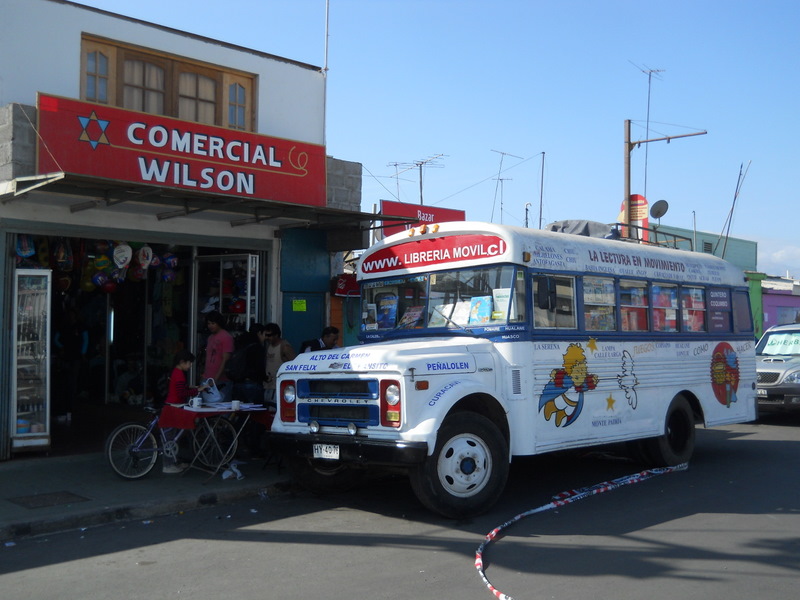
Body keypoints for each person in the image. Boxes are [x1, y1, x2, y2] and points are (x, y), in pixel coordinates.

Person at [163, 350, 208, 473]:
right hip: (174, 407)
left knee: (172, 436)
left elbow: (182, 388)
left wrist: (195, 388)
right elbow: (182, 392)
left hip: (173, 406)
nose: (190, 366)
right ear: (182, 362)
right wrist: (197, 390)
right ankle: (168, 465)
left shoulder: (176, 372)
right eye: (189, 363)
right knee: (170, 438)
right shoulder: (179, 374)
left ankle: (174, 461)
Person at [202, 310, 235, 402]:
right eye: (208, 323)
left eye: (213, 323)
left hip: (221, 379)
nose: (210, 326)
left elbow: (226, 360)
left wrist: (215, 379)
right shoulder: (210, 337)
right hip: (208, 378)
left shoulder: (226, 337)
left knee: (222, 407)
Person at [231, 323, 269, 404]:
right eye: (264, 334)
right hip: (253, 383)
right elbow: (259, 367)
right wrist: (266, 378)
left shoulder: (240, 344)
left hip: (238, 383)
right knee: (255, 412)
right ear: (259, 333)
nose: (265, 338)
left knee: (241, 413)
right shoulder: (257, 348)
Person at [264, 322, 297, 406]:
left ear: (276, 335)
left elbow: (295, 365)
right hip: (268, 386)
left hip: (279, 387)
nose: (267, 338)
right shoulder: (268, 346)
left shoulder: (284, 347)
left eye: (269, 335)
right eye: (266, 335)